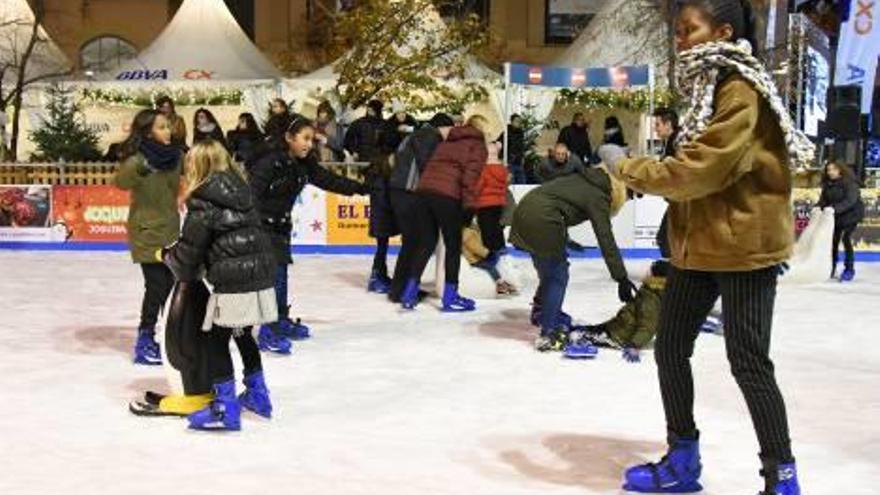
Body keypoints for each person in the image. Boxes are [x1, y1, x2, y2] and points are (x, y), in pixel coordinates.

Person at [600, 1, 815, 492]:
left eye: (688, 29)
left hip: (743, 249)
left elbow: (702, 170)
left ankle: (781, 477)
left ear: (721, 31)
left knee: (749, 363)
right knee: (671, 348)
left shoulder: (739, 88)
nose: (680, 39)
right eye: (677, 30)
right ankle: (682, 459)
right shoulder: (705, 87)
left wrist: (626, 167)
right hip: (699, 247)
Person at [161, 140, 277, 432]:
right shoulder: (242, 192)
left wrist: (165, 255)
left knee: (215, 341)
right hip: (259, 276)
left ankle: (225, 408)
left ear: (195, 167)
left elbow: (188, 256)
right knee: (241, 332)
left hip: (234, 281)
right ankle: (258, 395)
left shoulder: (203, 202)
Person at [249, 116, 368, 352]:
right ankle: (268, 330)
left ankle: (279, 321)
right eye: (304, 139)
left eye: (311, 140)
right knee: (274, 278)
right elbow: (250, 197)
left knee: (280, 276)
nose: (309, 144)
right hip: (261, 227)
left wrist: (360, 188)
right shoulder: (269, 163)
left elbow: (328, 180)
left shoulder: (304, 164)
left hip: (281, 227)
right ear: (289, 138)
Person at [509, 165, 634, 353]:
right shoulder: (599, 195)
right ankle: (548, 332)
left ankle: (541, 311)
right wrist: (621, 278)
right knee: (558, 274)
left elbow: (559, 202)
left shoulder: (587, 179)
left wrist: (566, 239)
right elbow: (605, 238)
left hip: (526, 210)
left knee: (548, 268)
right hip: (542, 219)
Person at [113, 109, 183, 366]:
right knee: (157, 286)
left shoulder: (176, 157)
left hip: (171, 231)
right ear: (148, 132)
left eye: (168, 126)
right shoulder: (138, 161)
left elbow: (198, 171)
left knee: (173, 286)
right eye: (162, 127)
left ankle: (170, 336)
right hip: (147, 232)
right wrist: (142, 165)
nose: (168, 131)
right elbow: (120, 182)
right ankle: (144, 341)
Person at [400, 115, 489, 311]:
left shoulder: (448, 142)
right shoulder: (477, 146)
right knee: (453, 246)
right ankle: (450, 296)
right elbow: (470, 179)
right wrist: (469, 208)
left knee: (426, 243)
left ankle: (408, 293)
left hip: (424, 192)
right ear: (480, 129)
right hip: (447, 196)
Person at [387, 113, 455, 302]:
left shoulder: (418, 134)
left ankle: (400, 289)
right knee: (419, 241)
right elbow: (428, 165)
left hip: (402, 193)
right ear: (443, 127)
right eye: (451, 130)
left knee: (412, 243)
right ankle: (402, 290)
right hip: (408, 194)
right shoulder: (429, 136)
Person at [564, 259, 670, 361]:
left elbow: (648, 328)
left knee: (587, 335)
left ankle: (570, 338)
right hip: (619, 326)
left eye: (650, 272)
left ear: (656, 277)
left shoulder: (651, 300)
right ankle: (581, 331)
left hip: (620, 335)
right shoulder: (651, 290)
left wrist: (634, 345)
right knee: (591, 329)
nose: (646, 273)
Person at [818, 161, 864, 281]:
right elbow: (823, 200)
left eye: (833, 169)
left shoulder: (850, 183)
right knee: (832, 241)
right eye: (828, 170)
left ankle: (849, 269)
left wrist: (834, 208)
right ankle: (831, 267)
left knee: (845, 238)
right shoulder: (828, 184)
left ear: (840, 170)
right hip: (836, 217)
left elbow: (850, 200)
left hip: (851, 215)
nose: (830, 172)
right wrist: (818, 207)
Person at [365, 153, 399, 293]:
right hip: (382, 218)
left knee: (382, 247)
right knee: (381, 249)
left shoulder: (375, 176)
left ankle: (381, 275)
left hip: (380, 218)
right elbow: (384, 201)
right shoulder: (382, 179)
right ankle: (376, 277)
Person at [652, 107, 681, 260]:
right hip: (677, 201)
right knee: (664, 239)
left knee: (665, 239)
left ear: (668, 124)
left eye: (657, 124)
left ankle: (675, 273)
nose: (655, 129)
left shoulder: (678, 142)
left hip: (684, 201)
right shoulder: (671, 141)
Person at [462, 223, 518, 296]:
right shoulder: (467, 232)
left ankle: (501, 283)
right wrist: (487, 253)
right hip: (477, 258)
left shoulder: (470, 230)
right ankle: (501, 284)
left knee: (492, 266)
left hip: (478, 257)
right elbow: (475, 247)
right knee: (492, 263)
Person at [474, 141, 508, 256]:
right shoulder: (502, 170)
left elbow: (478, 186)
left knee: (486, 226)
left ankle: (489, 247)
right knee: (496, 225)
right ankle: (500, 245)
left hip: (484, 203)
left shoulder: (484, 170)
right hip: (498, 202)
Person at [497, 114, 527, 184]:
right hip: (509, 161)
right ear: (512, 121)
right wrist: (501, 157)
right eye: (516, 121)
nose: (518, 123)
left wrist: (522, 156)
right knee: (511, 182)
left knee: (522, 182)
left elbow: (521, 146)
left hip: (518, 161)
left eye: (519, 121)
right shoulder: (506, 132)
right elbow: (498, 143)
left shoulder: (521, 133)